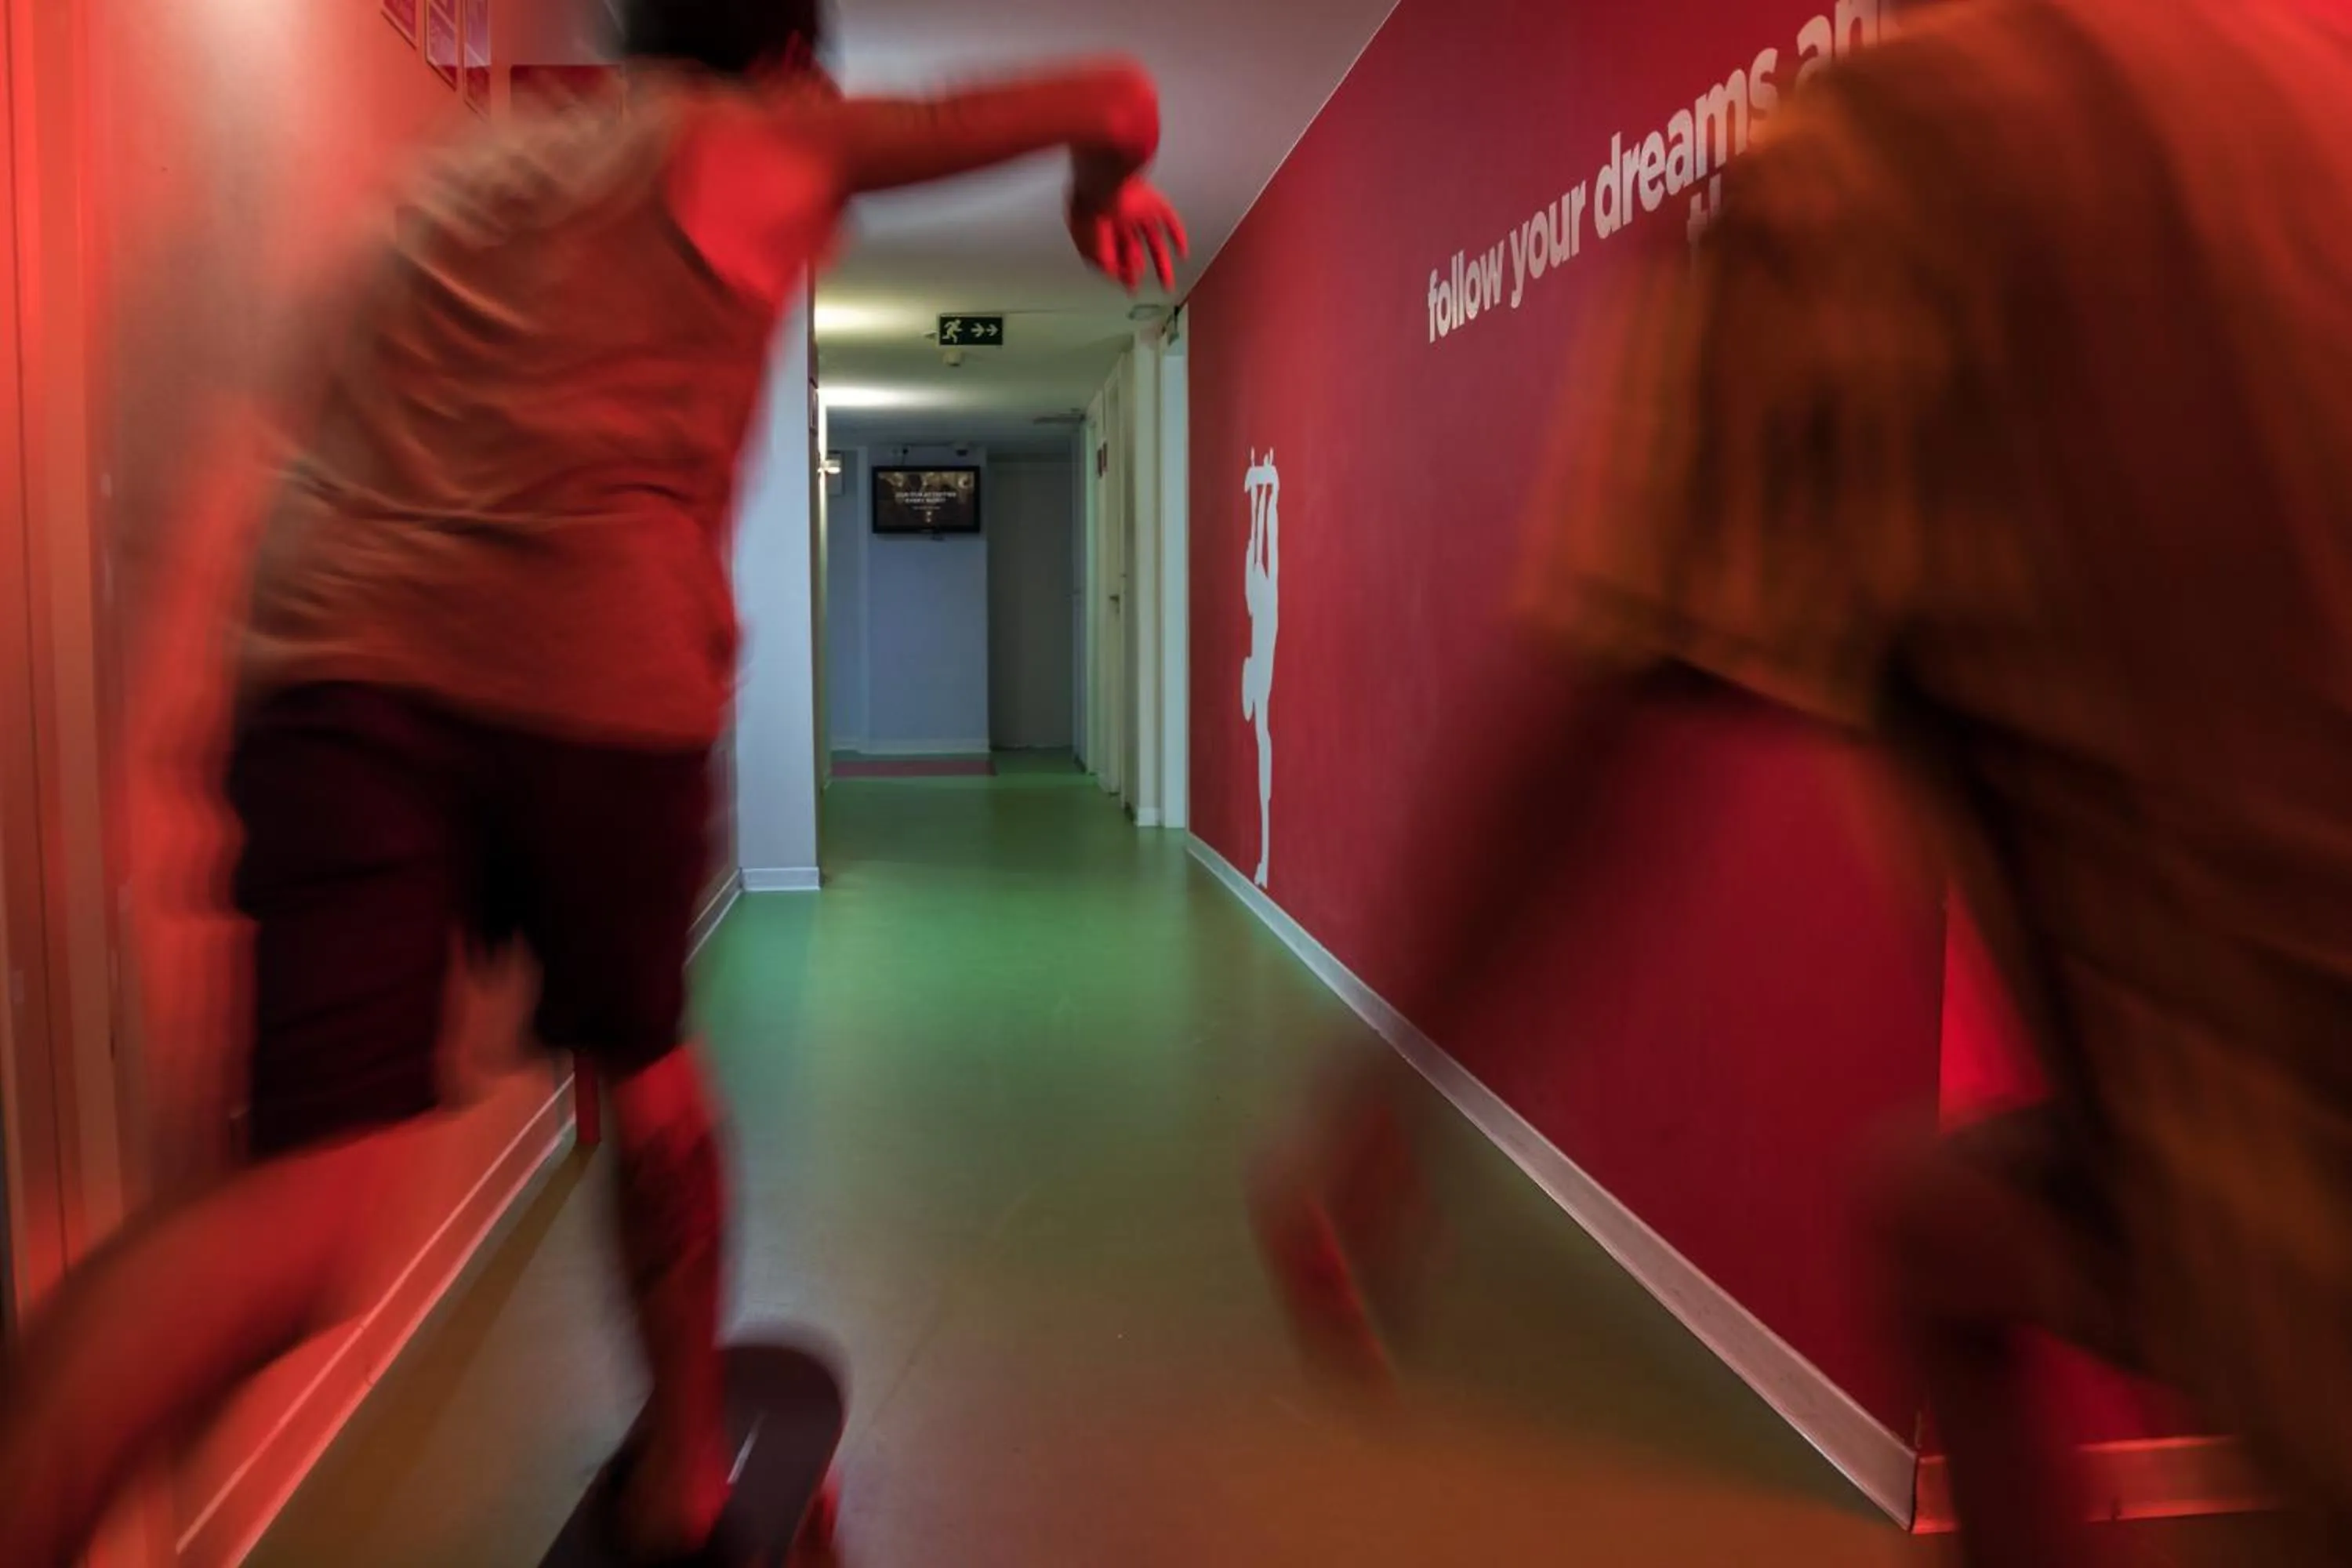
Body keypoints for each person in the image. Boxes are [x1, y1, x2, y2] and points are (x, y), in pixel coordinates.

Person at [0, 2, 1185, 1563]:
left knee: (295, 1214)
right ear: (789, 55)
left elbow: (320, 423)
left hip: (332, 666)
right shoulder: (763, 131)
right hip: (592, 672)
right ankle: (684, 1471)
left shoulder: (465, 181)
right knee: (648, 1071)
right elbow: (1116, 92)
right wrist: (1099, 189)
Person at [1252, 0, 2352, 1560]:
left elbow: (1605, 690)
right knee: (1940, 1222)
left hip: (2281, 1177)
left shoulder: (1865, 162)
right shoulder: (2295, 89)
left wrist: (1381, 1102)